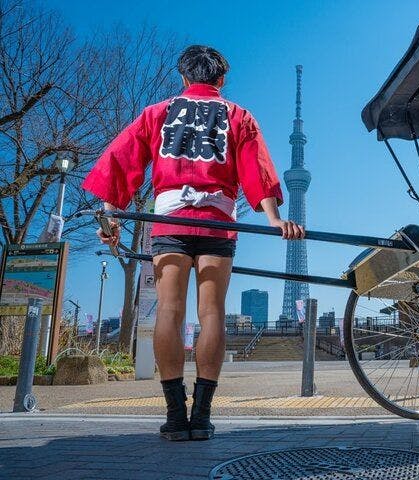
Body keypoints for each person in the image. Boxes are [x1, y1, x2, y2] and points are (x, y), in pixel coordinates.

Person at [82, 45, 304, 441]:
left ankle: (174, 416)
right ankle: (201, 416)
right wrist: (274, 219)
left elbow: (121, 160)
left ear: (183, 78)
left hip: (169, 218)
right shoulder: (238, 116)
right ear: (221, 79)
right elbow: (257, 168)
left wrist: (110, 214)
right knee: (212, 312)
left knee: (170, 309)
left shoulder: (157, 113)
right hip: (218, 219)